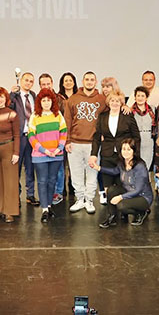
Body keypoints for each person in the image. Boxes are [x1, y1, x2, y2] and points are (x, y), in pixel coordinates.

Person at [90, 90, 140, 218]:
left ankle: (122, 212)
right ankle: (111, 214)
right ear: (108, 102)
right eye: (112, 100)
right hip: (107, 155)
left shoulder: (127, 116)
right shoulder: (102, 116)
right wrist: (94, 154)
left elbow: (136, 137)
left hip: (123, 156)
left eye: (118, 101)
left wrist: (134, 156)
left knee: (121, 185)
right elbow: (96, 137)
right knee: (107, 186)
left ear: (122, 102)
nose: (115, 103)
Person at [65, 71, 106, 215]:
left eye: (92, 79)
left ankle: (89, 200)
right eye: (87, 79)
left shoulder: (102, 99)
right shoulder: (73, 99)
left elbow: (109, 116)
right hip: (75, 142)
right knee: (76, 173)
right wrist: (67, 140)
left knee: (92, 173)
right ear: (83, 82)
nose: (89, 82)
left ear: (95, 82)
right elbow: (67, 121)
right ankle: (80, 199)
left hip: (93, 144)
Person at [27, 89, 68, 223]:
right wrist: (44, 150)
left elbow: (64, 132)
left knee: (52, 181)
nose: (46, 103)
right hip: (40, 155)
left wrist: (59, 148)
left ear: (52, 102)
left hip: (56, 154)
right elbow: (31, 136)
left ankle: (49, 206)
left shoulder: (58, 115)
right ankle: (44, 209)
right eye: (43, 100)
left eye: (48, 100)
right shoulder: (35, 116)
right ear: (39, 102)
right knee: (42, 181)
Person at [95, 138, 153, 228]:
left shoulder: (140, 166)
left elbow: (138, 190)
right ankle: (112, 216)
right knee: (111, 190)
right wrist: (99, 168)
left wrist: (120, 197)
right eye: (124, 149)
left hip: (142, 197)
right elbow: (114, 171)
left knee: (121, 205)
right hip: (128, 191)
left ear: (134, 151)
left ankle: (141, 212)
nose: (125, 152)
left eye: (129, 149)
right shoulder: (122, 162)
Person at [0, 87, 21, 222]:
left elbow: (17, 135)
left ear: (6, 98)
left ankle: (9, 212)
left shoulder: (12, 114)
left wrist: (16, 153)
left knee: (10, 181)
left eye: (1, 97)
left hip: (8, 149)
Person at [10, 72, 39, 206]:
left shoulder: (34, 96)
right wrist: (11, 94)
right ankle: (15, 195)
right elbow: (8, 107)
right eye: (26, 80)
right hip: (19, 136)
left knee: (30, 167)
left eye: (31, 81)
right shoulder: (14, 96)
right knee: (15, 168)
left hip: (32, 136)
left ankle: (30, 195)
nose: (28, 83)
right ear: (21, 81)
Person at [39, 73, 68, 203]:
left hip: (57, 142)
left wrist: (61, 143)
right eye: (43, 84)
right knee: (44, 172)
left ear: (52, 83)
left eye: (48, 83)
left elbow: (64, 122)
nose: (46, 86)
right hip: (42, 144)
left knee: (59, 169)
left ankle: (58, 192)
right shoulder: (38, 100)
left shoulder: (60, 99)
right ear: (40, 86)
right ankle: (47, 193)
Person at [130, 86, 155, 173]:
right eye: (138, 95)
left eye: (142, 96)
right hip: (134, 141)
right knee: (134, 168)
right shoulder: (130, 111)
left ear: (146, 97)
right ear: (135, 97)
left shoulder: (153, 109)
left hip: (148, 141)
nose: (140, 98)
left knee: (145, 168)